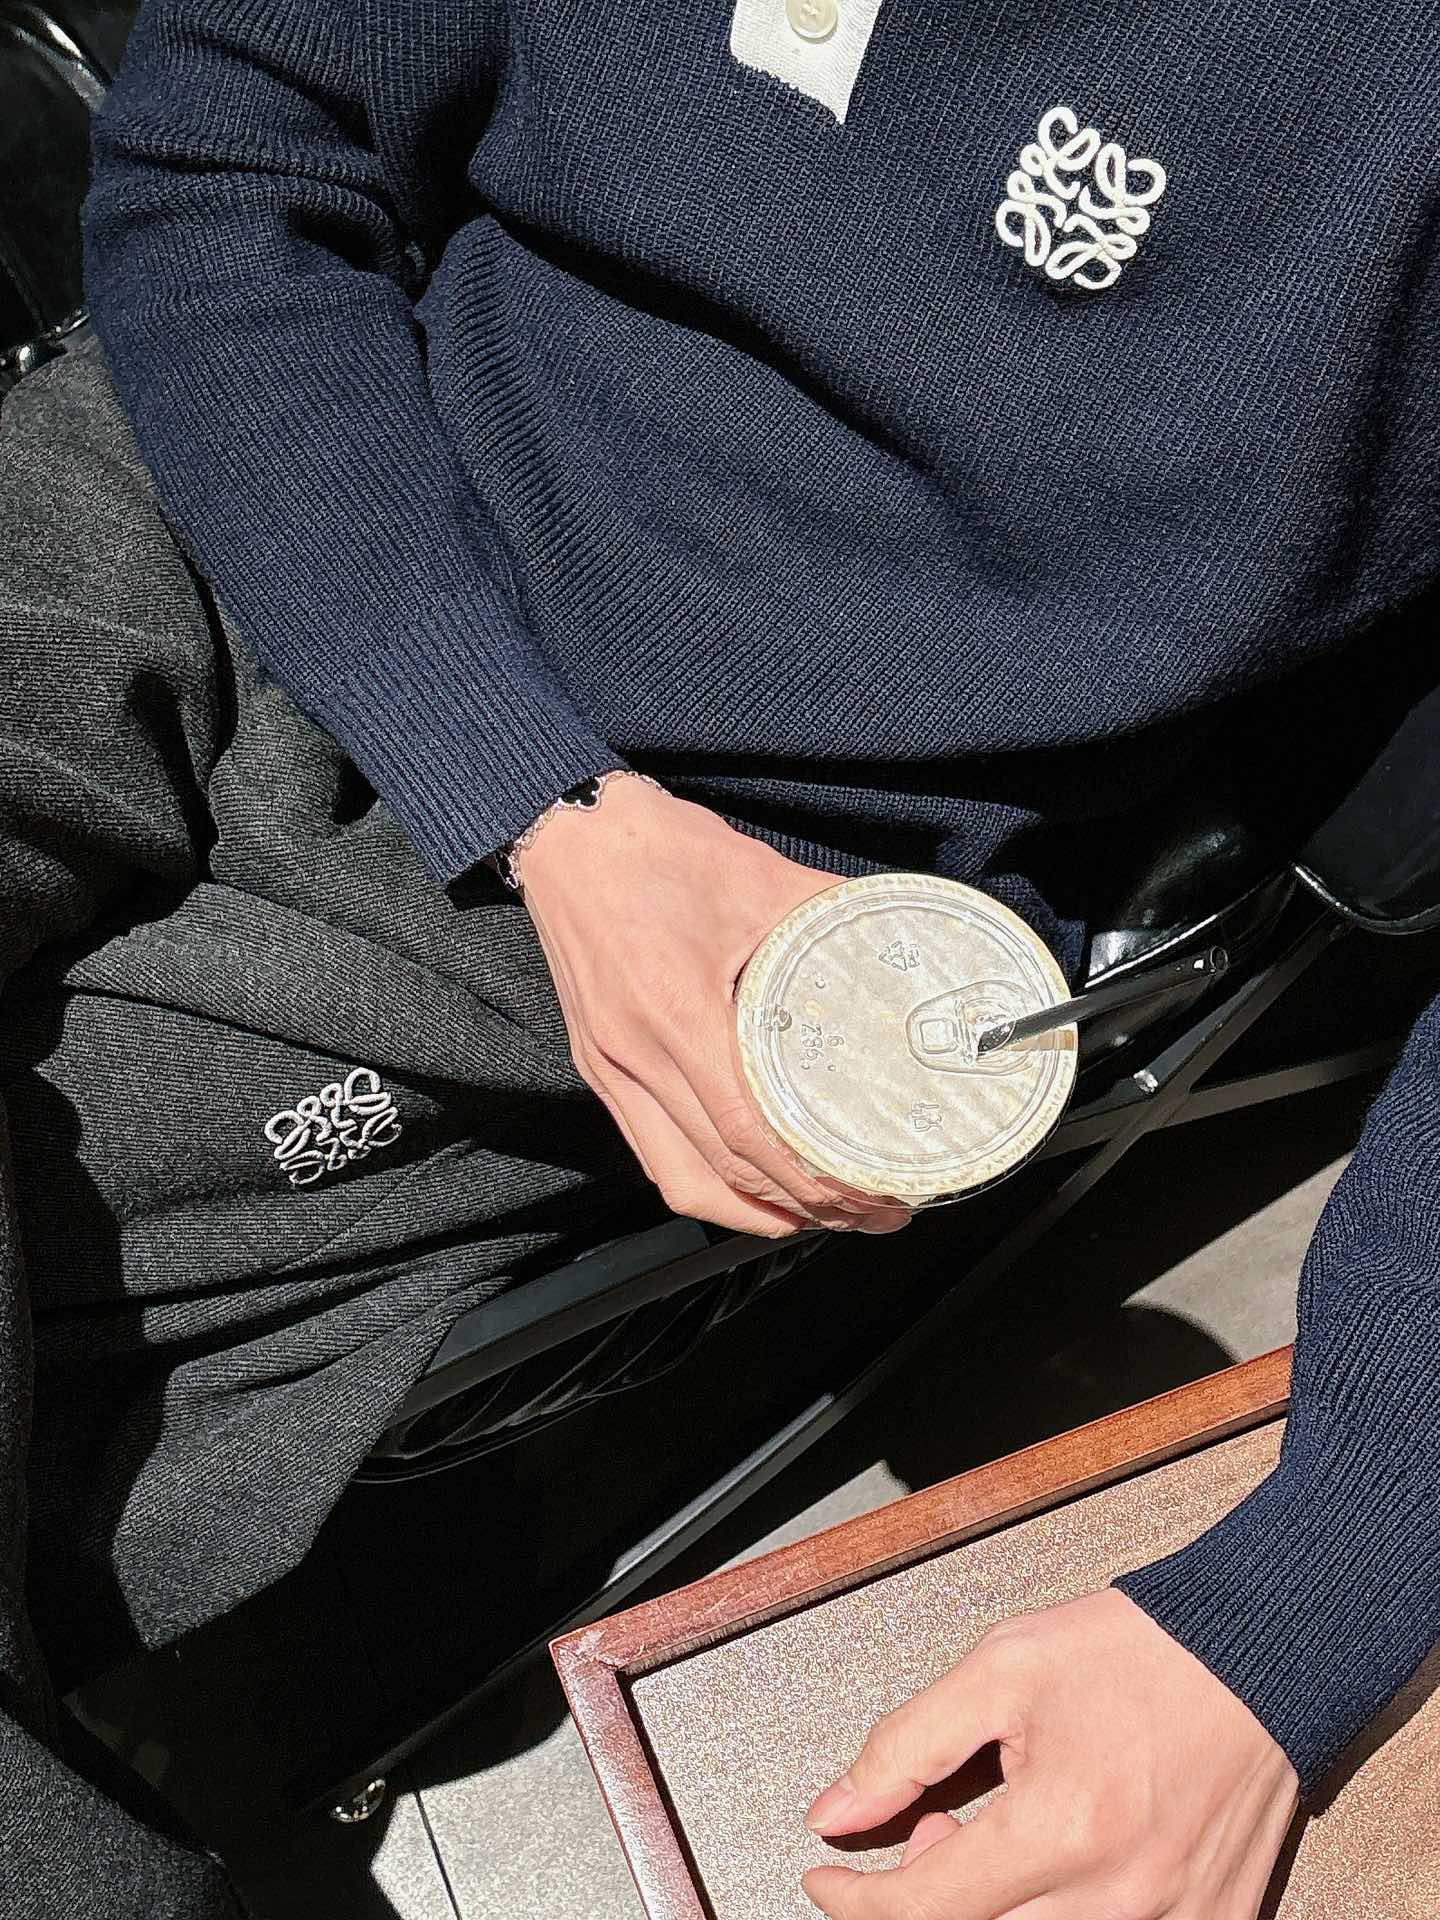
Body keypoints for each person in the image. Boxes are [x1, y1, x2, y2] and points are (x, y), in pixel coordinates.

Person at [0, 1, 1434, 1914]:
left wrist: (1304, 1603)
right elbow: (232, 138)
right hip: (251, 439)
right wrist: (519, 779)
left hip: (727, 870)